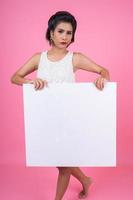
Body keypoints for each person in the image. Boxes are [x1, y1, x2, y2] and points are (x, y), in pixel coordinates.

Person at [11, 11, 110, 200]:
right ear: (51, 33)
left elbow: (103, 70)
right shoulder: (37, 58)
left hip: (68, 120)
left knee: (63, 165)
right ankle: (85, 180)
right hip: (46, 119)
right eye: (61, 31)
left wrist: (102, 78)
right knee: (59, 161)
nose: (65, 37)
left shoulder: (75, 58)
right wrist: (30, 82)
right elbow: (14, 77)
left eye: (69, 33)